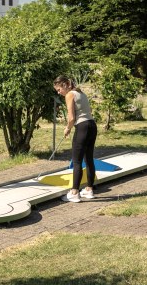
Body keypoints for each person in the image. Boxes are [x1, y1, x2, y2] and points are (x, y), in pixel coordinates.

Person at [53, 75, 97, 203]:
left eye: (59, 89)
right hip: (91, 125)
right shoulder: (80, 92)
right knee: (89, 159)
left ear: (65, 85)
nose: (58, 92)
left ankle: (74, 192)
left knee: (77, 161)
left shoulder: (70, 95)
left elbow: (71, 118)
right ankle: (89, 189)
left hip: (82, 127)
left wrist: (68, 128)